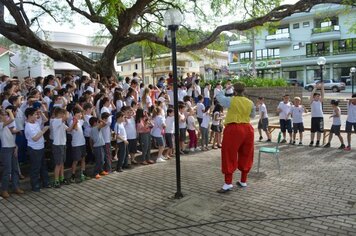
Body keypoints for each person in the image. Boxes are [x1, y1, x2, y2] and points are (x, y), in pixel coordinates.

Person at [216, 82, 255, 193]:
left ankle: (228, 183)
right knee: (247, 154)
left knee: (229, 154)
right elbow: (252, 116)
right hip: (248, 129)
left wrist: (226, 88)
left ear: (234, 91)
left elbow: (219, 96)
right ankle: (243, 180)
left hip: (233, 129)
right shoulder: (250, 102)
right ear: (244, 90)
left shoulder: (231, 100)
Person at [24, 107, 51, 192]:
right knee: (35, 168)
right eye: (35, 114)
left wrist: (41, 112)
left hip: (41, 147)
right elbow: (35, 138)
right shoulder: (28, 126)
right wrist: (43, 130)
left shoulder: (35, 122)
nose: (36, 116)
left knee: (43, 166)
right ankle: (35, 186)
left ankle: (46, 183)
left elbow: (46, 119)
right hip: (34, 149)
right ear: (29, 116)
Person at [1, 109, 24, 198]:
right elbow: (12, 119)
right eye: (4, 115)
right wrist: (10, 111)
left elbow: (10, 138)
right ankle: (4, 190)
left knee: (15, 169)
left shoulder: (6, 126)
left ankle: (16, 187)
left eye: (6, 114)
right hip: (6, 150)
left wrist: (15, 147)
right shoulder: (1, 125)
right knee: (7, 170)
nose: (6, 116)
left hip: (12, 148)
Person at [51, 107, 73, 188]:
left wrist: (74, 122)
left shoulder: (61, 123)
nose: (64, 115)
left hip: (63, 144)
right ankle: (56, 180)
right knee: (58, 164)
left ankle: (62, 178)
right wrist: (67, 111)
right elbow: (66, 117)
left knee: (62, 163)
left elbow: (69, 130)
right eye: (62, 113)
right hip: (57, 145)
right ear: (59, 114)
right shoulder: (56, 121)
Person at [69, 107, 89, 182]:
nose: (80, 114)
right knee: (76, 160)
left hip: (82, 143)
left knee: (83, 159)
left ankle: (82, 173)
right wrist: (75, 119)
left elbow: (83, 118)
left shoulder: (80, 121)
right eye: (79, 113)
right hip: (76, 144)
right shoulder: (72, 122)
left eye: (80, 113)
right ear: (75, 114)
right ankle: (73, 176)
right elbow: (76, 128)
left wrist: (81, 113)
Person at [309, 83, 324, 147]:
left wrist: (322, 87)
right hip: (314, 118)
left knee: (319, 130)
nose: (319, 97)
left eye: (319, 96)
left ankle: (318, 141)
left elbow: (323, 95)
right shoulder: (312, 102)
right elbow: (312, 94)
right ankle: (312, 141)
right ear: (314, 97)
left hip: (320, 117)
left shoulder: (320, 101)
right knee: (313, 131)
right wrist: (315, 87)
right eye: (317, 96)